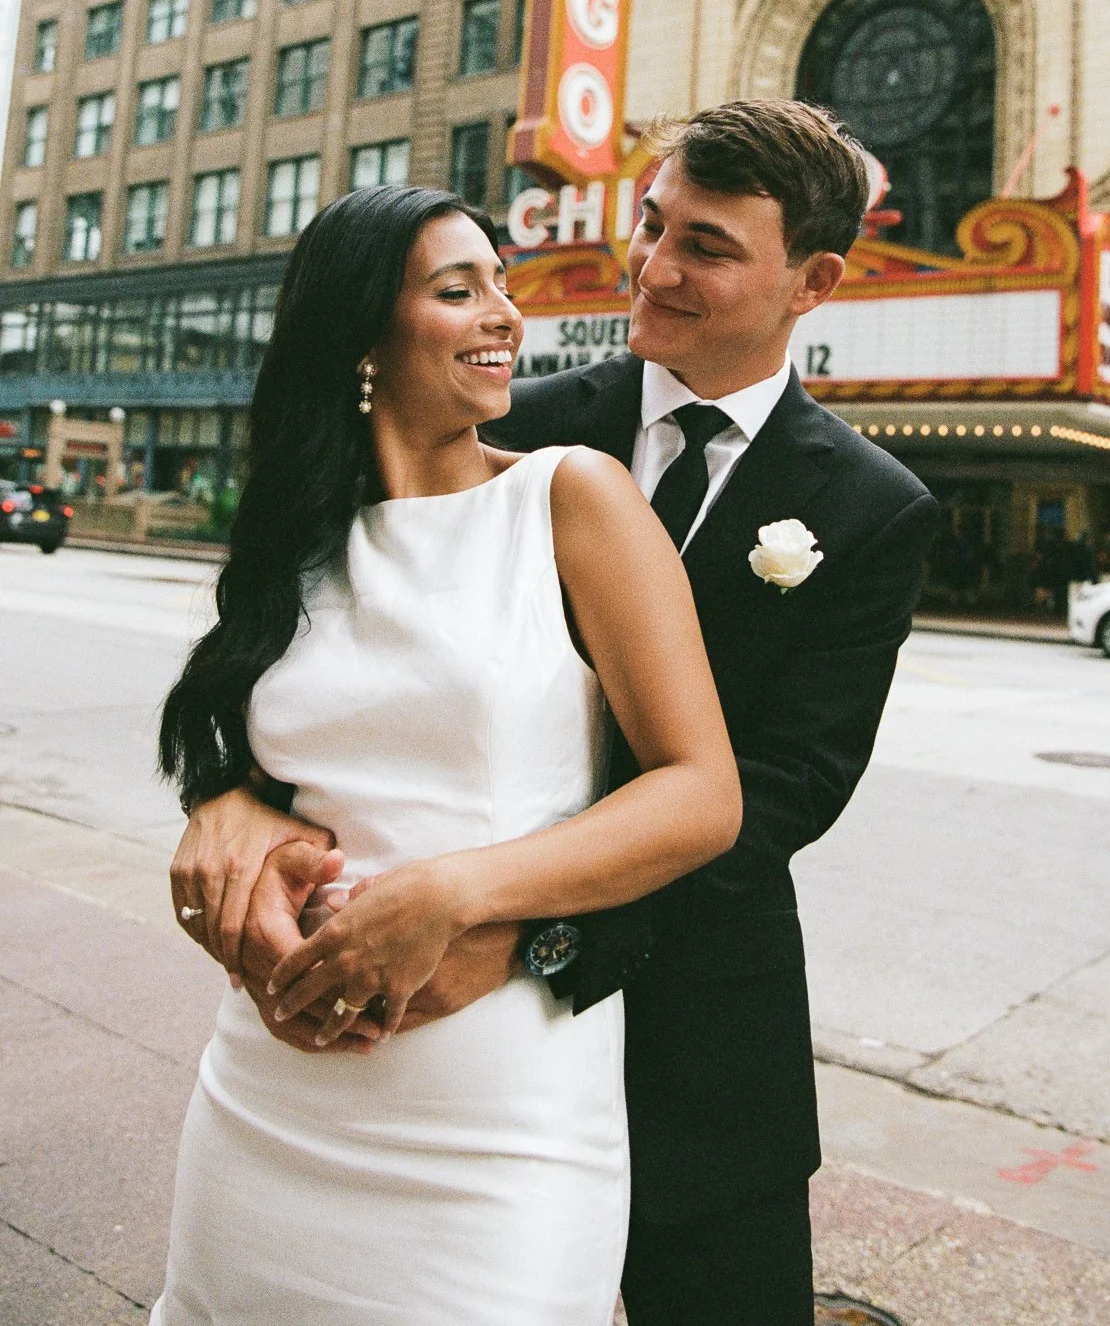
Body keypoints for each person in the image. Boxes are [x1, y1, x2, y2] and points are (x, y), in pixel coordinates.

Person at [172, 99, 939, 1326]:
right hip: (384, 1042)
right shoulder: (490, 418)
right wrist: (226, 794)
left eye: (707, 246)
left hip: (692, 1028)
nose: (653, 266)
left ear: (813, 282)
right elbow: (298, 642)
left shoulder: (869, 507)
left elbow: (779, 792)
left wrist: (527, 930)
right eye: (652, 223)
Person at [149, 185, 742, 1326]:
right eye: (456, 289)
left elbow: (701, 792)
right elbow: (260, 746)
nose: (503, 315)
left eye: (503, 286)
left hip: (497, 1120)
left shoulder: (571, 498)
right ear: (363, 332)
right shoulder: (296, 538)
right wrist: (225, 805)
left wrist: (451, 893)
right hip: (272, 1090)